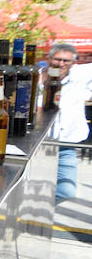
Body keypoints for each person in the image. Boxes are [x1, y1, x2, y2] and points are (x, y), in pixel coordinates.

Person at [48, 42, 89, 201]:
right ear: (49, 58)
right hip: (36, 144)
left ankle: (39, 215)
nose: (61, 64)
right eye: (57, 59)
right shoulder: (36, 78)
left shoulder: (81, 79)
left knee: (66, 191)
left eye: (66, 61)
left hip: (65, 146)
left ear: (73, 63)